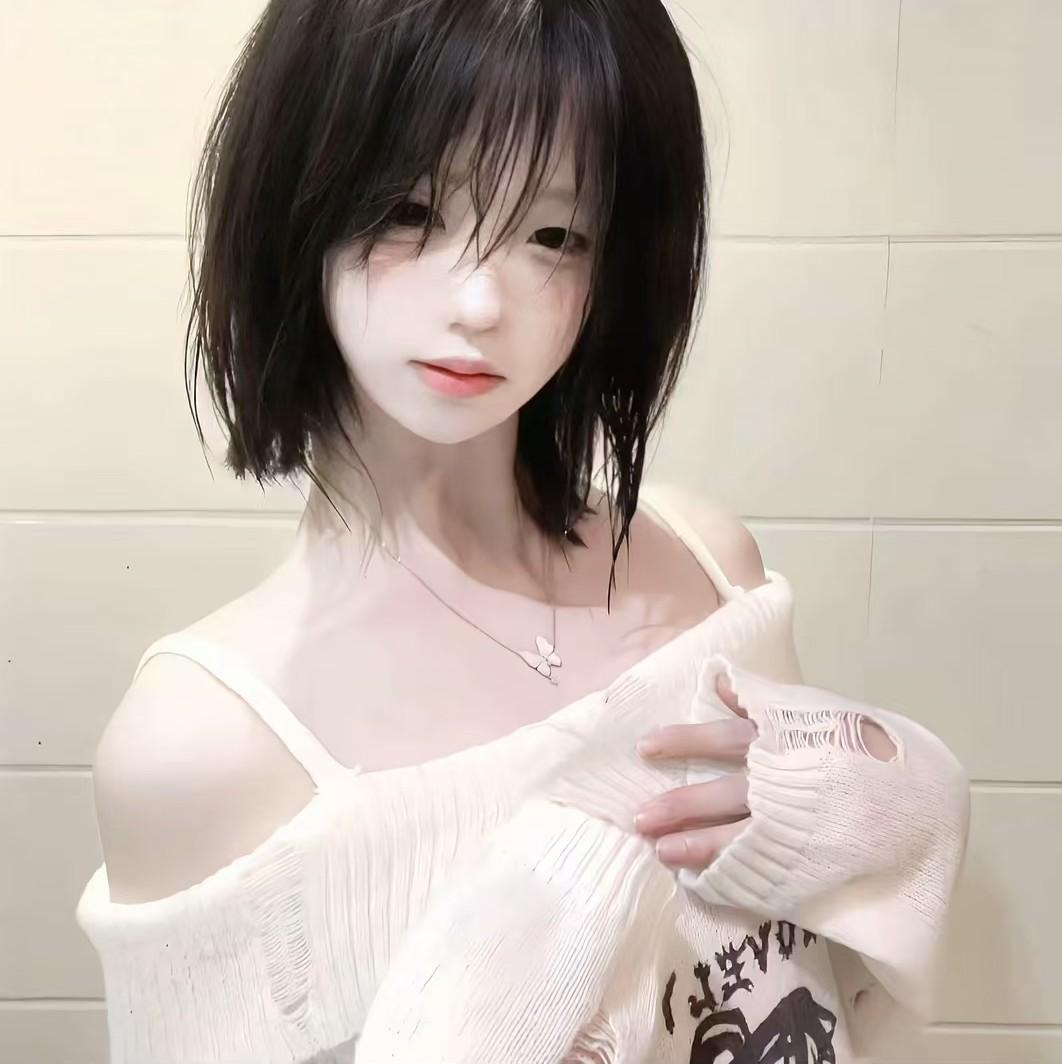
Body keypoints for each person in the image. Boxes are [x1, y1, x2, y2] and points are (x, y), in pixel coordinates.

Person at [74, 1, 970, 1061]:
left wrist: (904, 800)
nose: (479, 301)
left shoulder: (705, 565)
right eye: (408, 211)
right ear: (292, 203)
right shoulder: (199, 751)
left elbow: (833, 980)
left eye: (553, 235)